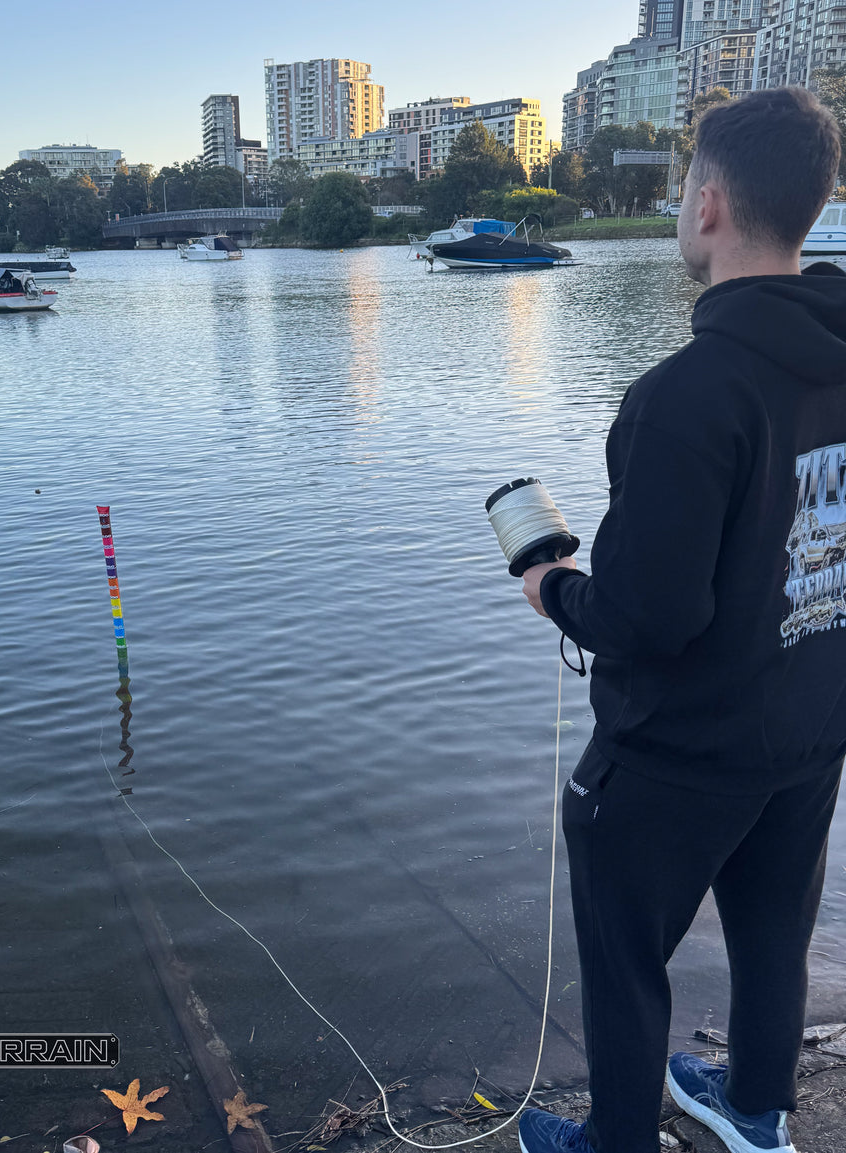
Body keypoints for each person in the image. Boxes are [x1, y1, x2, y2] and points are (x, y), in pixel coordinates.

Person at [516, 87, 846, 1153]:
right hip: (809, 725)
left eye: (680, 189)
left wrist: (552, 588)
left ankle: (618, 1142)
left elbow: (649, 616)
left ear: (706, 203)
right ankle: (756, 1111)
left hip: (680, 753)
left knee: (623, 958)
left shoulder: (687, 393)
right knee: (771, 936)